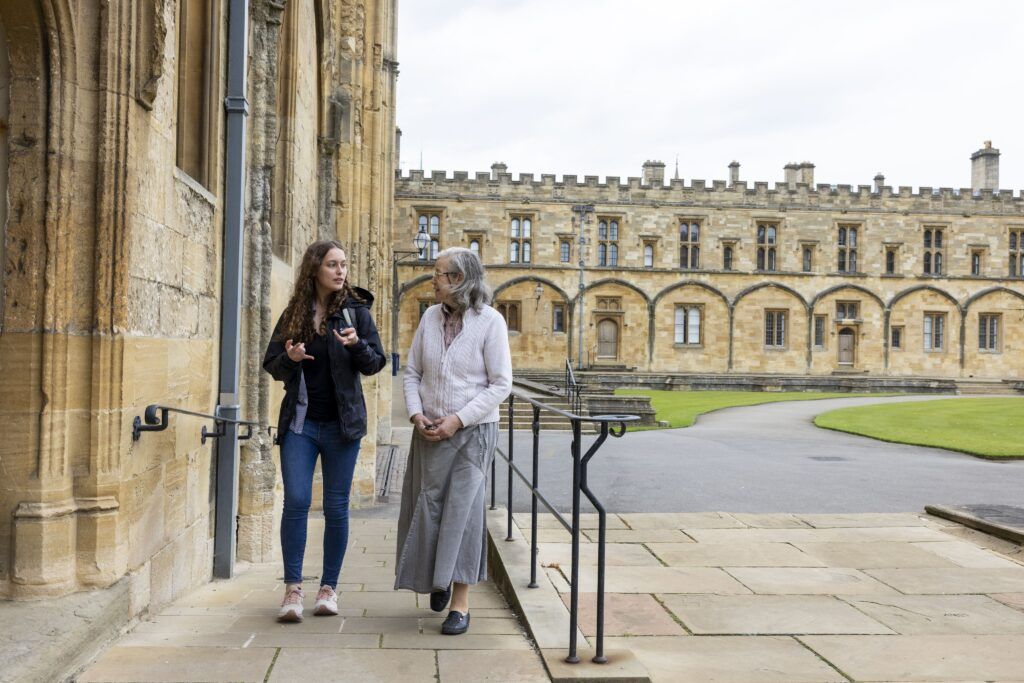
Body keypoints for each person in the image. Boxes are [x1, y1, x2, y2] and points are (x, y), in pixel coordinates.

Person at [263, 240, 386, 622]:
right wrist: (291, 357)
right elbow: (272, 365)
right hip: (301, 424)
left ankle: (329, 588)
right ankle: (293, 589)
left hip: (342, 427)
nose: (340, 271)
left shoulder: (355, 314)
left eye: (344, 265)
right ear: (315, 268)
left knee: (335, 507)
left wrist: (357, 346)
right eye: (333, 264)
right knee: (297, 501)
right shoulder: (295, 314)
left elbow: (375, 364)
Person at [394, 247, 513, 635]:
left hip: (473, 434)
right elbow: (412, 372)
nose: (433, 279)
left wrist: (458, 420)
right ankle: (437, 579)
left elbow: (501, 385)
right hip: (429, 430)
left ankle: (460, 605)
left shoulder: (490, 322)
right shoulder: (429, 317)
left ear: (459, 280)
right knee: (427, 508)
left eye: (439, 273)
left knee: (463, 514)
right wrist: (416, 414)